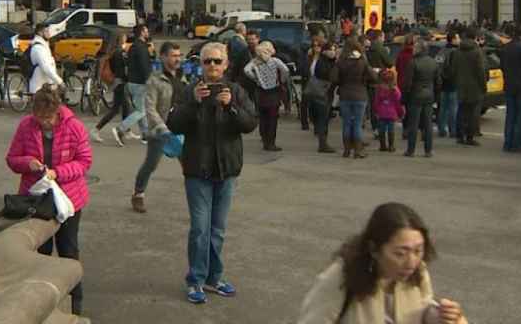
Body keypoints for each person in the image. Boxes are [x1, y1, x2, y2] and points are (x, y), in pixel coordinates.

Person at [165, 42, 258, 305]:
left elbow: (250, 124)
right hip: (198, 170)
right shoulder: (189, 91)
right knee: (200, 229)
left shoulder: (236, 91)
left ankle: (214, 278)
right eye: (208, 62)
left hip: (226, 170)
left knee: (217, 229)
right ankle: (195, 279)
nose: (213, 66)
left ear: (226, 64)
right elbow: (173, 124)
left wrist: (231, 107)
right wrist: (194, 103)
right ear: (201, 65)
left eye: (218, 61)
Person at [297, 202, 468, 324]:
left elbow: (423, 305)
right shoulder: (340, 277)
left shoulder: (418, 271)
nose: (411, 262)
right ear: (374, 249)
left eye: (418, 250)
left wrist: (439, 316)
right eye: (400, 253)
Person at [6, 85, 93, 315]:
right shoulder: (26, 126)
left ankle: (76, 302)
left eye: (48, 118)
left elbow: (84, 162)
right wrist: (28, 163)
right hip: (36, 198)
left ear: (57, 111)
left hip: (68, 198)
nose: (44, 122)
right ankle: (37, 302)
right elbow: (12, 159)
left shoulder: (74, 127)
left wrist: (59, 172)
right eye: (39, 117)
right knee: (38, 253)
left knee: (68, 250)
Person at [135, 41, 190, 213]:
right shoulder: (155, 80)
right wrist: (161, 127)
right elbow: (150, 107)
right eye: (173, 56)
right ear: (163, 57)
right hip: (161, 131)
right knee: (151, 164)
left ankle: (196, 201)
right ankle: (138, 194)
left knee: (190, 167)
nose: (177, 59)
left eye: (179, 55)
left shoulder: (183, 76)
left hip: (182, 128)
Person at [331, 38, 378, 159]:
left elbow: (334, 78)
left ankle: (346, 151)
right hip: (360, 95)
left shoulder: (341, 61)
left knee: (346, 123)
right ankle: (357, 151)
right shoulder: (362, 61)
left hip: (345, 95)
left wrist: (342, 82)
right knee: (357, 124)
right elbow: (373, 77)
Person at [243, 41, 290, 152]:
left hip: (261, 91)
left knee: (263, 117)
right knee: (272, 118)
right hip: (274, 91)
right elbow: (286, 70)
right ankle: (271, 142)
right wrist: (282, 80)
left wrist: (255, 78)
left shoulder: (255, 62)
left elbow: (246, 70)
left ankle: (264, 139)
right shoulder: (275, 61)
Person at [110, 24, 151, 147]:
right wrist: (149, 81)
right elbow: (144, 67)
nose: (148, 32)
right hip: (140, 82)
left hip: (132, 82)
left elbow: (128, 63)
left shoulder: (133, 47)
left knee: (141, 108)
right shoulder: (142, 48)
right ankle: (120, 129)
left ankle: (145, 134)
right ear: (142, 32)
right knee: (141, 111)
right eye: (146, 30)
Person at [449, 29, 487, 147]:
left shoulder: (457, 51)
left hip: (460, 85)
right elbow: (480, 71)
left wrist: (456, 81)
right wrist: (483, 85)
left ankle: (460, 136)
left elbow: (453, 69)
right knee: (472, 113)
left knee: (461, 110)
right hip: (474, 86)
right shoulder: (477, 51)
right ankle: (470, 137)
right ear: (474, 37)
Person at [92, 32, 131, 142]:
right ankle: (96, 130)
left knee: (125, 107)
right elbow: (120, 70)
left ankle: (125, 130)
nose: (126, 38)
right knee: (115, 110)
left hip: (117, 82)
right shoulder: (119, 53)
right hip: (119, 83)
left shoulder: (114, 52)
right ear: (121, 40)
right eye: (124, 37)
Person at [402, 40, 438, 157]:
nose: (413, 49)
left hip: (415, 95)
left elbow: (407, 83)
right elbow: (438, 81)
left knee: (414, 124)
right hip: (429, 95)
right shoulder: (433, 62)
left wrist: (404, 97)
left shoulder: (413, 63)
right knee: (428, 124)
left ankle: (411, 150)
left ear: (418, 49)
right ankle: (428, 150)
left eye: (415, 47)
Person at [305, 40, 338, 154]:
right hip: (322, 92)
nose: (333, 52)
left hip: (322, 92)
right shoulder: (323, 62)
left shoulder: (324, 60)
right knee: (323, 118)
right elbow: (327, 75)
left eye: (334, 50)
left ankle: (322, 141)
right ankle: (323, 144)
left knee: (322, 117)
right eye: (330, 50)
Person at [366, 30, 393, 130]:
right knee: (382, 104)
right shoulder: (381, 49)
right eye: (383, 37)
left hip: (370, 79)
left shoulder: (368, 48)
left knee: (373, 105)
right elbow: (389, 63)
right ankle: (381, 127)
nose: (384, 39)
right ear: (379, 37)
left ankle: (375, 127)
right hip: (381, 79)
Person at [373, 68, 405, 153]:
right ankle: (391, 146)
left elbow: (376, 101)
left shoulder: (379, 89)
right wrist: (401, 113)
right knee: (391, 130)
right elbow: (398, 103)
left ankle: (382, 146)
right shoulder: (395, 90)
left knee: (381, 129)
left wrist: (376, 111)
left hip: (381, 113)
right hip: (392, 113)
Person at [435, 32, 459, 139]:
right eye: (457, 38)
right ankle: (453, 130)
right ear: (453, 39)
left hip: (443, 84)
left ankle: (441, 129)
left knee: (443, 108)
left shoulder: (441, 51)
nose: (459, 40)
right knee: (453, 109)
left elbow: (437, 66)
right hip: (453, 83)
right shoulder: (456, 52)